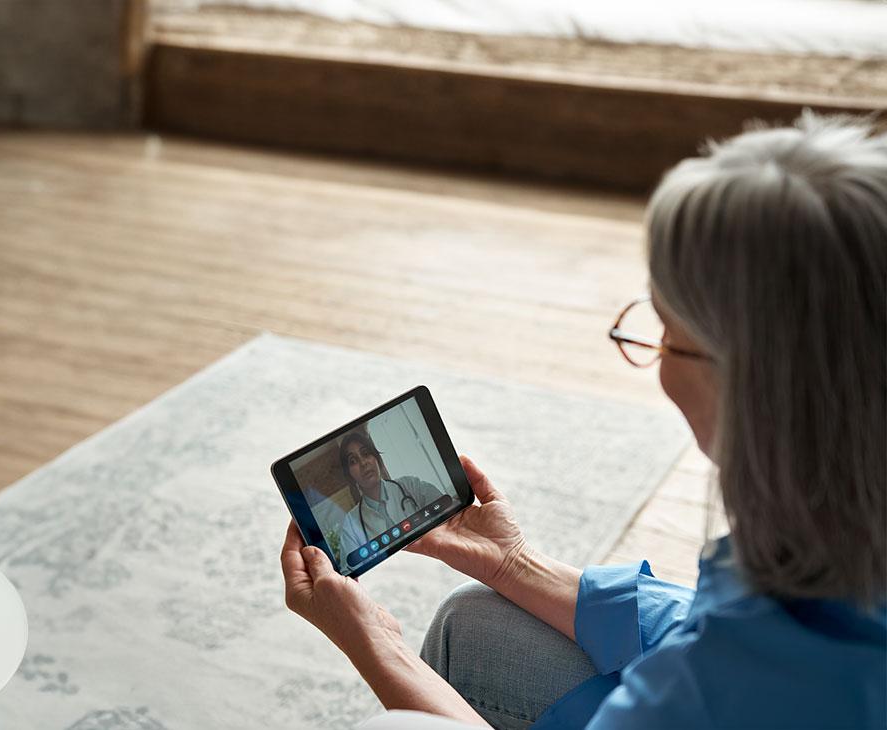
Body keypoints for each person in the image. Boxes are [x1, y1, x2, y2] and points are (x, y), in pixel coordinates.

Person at [282, 114, 886, 729]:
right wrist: (511, 563)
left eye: (666, 335)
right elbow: (699, 622)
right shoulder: (831, 548)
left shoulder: (755, 672)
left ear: (754, 382)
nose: (656, 358)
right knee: (472, 620)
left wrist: (370, 641)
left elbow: (726, 660)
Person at [338, 431, 443, 552]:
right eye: (353, 461)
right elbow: (351, 569)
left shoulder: (411, 486)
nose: (363, 463)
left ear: (376, 458)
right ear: (350, 475)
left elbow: (448, 512)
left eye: (366, 453)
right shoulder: (351, 524)